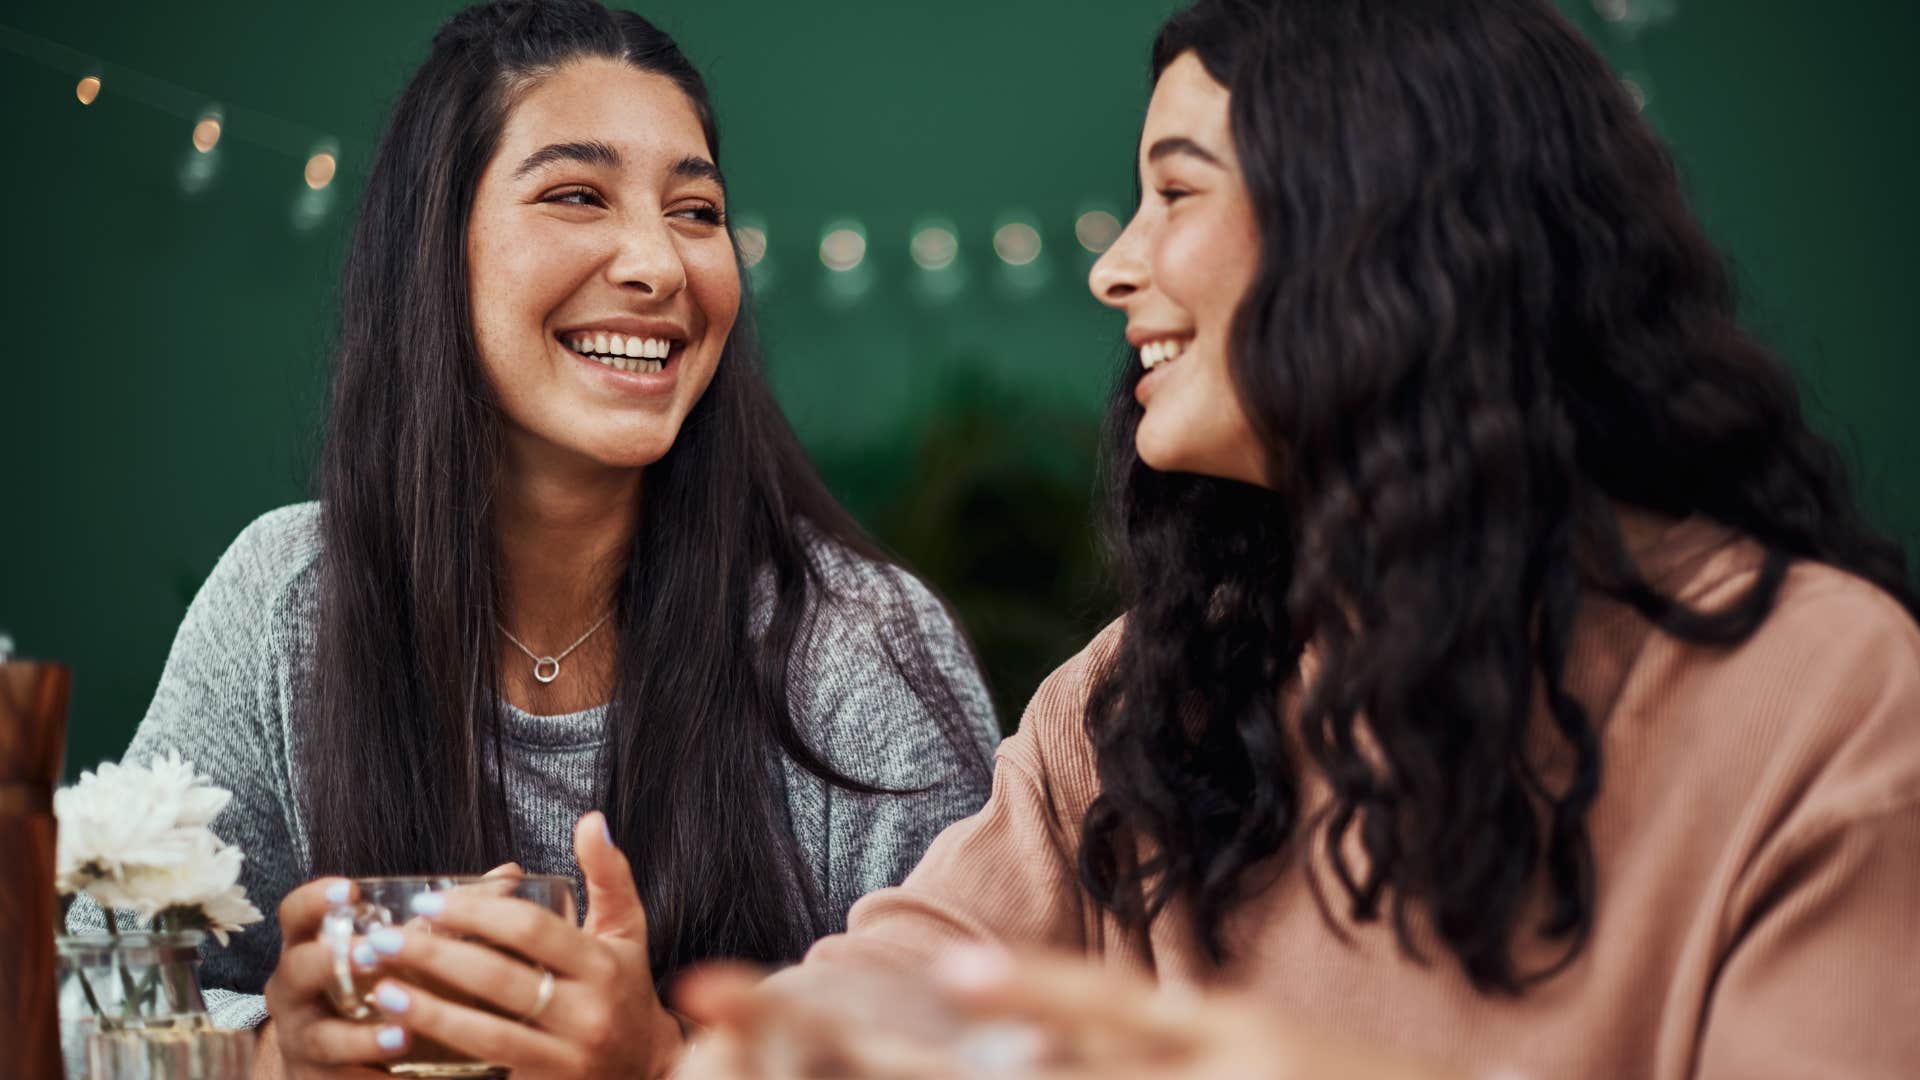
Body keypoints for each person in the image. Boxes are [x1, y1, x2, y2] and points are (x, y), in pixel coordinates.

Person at [674, 1, 1920, 1077]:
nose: (1115, 267)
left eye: (1174, 192)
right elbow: (900, 981)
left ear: (1384, 228)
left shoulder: (1820, 693)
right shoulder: (1140, 698)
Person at [68, 1, 999, 1076]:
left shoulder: (852, 645)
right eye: (575, 195)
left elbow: (977, 1048)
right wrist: (277, 1054)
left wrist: (666, 1056)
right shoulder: (291, 602)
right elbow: (76, 1009)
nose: (658, 263)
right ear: (437, 244)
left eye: (695, 210)